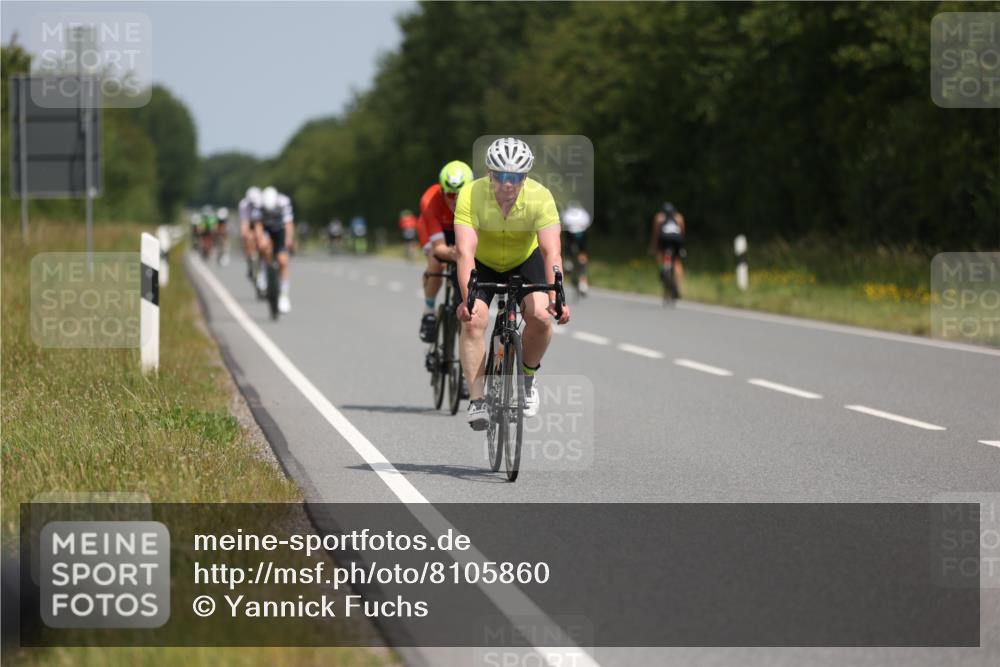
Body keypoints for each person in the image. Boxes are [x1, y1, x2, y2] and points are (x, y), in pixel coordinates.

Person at [455, 137, 570, 430]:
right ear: (490, 173)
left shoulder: (541, 197)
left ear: (526, 176)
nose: (509, 183)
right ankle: (478, 399)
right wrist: (468, 299)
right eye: (502, 176)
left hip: (524, 259)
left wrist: (558, 295)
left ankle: (527, 379)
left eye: (516, 177)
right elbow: (465, 251)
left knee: (541, 316)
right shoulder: (470, 194)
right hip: (483, 261)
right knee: (473, 321)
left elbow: (551, 251)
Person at [417, 160, 474, 343]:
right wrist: (454, 254)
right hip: (436, 230)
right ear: (442, 191)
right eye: (449, 194)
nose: (455, 199)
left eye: (460, 194)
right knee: (437, 262)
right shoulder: (430, 200)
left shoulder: (478, 201)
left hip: (460, 230)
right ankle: (429, 312)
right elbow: (439, 248)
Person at [253, 186, 295, 314]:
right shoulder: (259, 203)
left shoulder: (284, 202)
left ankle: (284, 295)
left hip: (280, 230)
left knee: (283, 261)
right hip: (266, 229)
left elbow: (288, 224)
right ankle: (264, 275)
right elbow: (258, 224)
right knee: (264, 248)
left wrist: (289, 239)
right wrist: (261, 239)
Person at [649, 201, 686, 294]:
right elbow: (682, 233)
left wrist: (653, 247)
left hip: (664, 239)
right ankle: (679, 286)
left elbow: (656, 234)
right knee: (677, 261)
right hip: (676, 239)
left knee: (660, 254)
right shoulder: (679, 217)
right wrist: (682, 247)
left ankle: (663, 269)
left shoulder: (659, 217)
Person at [560, 202, 592, 295]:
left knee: (581, 257)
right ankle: (569, 262)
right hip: (576, 233)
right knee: (573, 251)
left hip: (577, 233)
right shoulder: (582, 215)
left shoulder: (571, 215)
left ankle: (582, 281)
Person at [239, 186, 263, 281]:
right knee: (247, 237)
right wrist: (245, 236)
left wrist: (260, 238)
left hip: (261, 223)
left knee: (261, 239)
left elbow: (260, 224)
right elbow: (244, 223)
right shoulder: (243, 205)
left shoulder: (262, 203)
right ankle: (250, 261)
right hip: (249, 223)